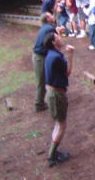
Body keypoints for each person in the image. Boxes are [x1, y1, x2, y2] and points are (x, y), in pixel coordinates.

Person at [43, 32, 74, 167]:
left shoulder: (51, 55)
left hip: (52, 92)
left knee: (58, 123)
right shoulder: (56, 57)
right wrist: (71, 55)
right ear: (54, 43)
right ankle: (52, 156)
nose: (60, 38)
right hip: (56, 94)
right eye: (58, 38)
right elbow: (67, 72)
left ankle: (53, 153)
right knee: (61, 124)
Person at [32, 13, 64, 112]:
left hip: (39, 56)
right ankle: (39, 104)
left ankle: (42, 101)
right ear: (47, 19)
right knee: (42, 80)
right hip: (40, 57)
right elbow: (56, 42)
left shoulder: (47, 27)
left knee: (44, 79)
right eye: (51, 16)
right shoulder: (49, 28)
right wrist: (58, 32)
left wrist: (57, 31)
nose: (53, 16)